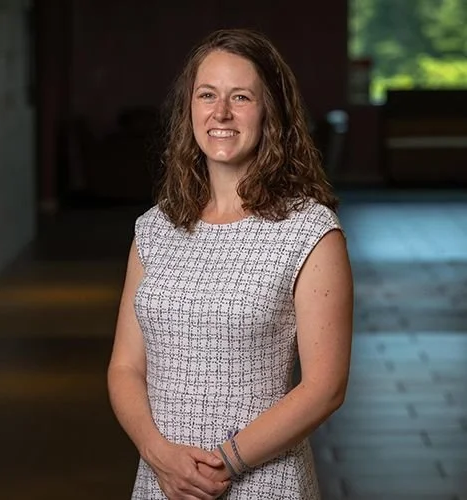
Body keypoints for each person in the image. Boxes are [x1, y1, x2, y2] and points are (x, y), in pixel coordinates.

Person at [107, 28, 353, 500]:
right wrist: (159, 454)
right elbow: (124, 367)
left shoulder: (310, 231)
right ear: (190, 110)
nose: (221, 113)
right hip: (161, 481)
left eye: (241, 97)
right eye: (207, 95)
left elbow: (325, 386)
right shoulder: (154, 229)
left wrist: (220, 465)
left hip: (264, 483)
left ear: (271, 113)